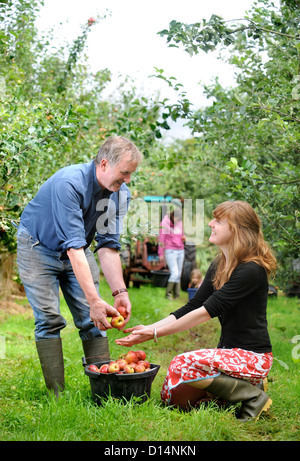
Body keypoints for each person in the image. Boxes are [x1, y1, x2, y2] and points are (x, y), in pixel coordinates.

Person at [116, 200, 277, 422]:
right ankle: (238, 388)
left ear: (237, 229)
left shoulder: (251, 269)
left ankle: (252, 395)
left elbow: (206, 311)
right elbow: (193, 305)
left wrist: (154, 335)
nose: (211, 224)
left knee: (181, 363)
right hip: (228, 354)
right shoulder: (220, 264)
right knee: (170, 397)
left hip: (252, 357)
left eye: (219, 221)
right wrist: (150, 327)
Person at [16, 136, 142, 396]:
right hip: (38, 248)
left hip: (77, 250)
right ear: (104, 164)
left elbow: (107, 246)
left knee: (92, 320)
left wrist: (120, 293)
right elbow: (73, 247)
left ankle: (104, 390)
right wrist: (94, 299)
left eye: (131, 174)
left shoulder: (119, 195)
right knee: (49, 319)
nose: (128, 180)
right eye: (124, 173)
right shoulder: (69, 183)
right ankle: (57, 396)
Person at [158, 200, 186, 300]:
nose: (178, 221)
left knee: (178, 273)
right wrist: (161, 253)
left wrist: (183, 238)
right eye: (176, 219)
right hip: (170, 250)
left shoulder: (180, 222)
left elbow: (181, 234)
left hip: (180, 250)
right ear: (172, 216)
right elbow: (161, 239)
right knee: (174, 273)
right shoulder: (164, 223)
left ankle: (176, 295)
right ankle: (168, 294)